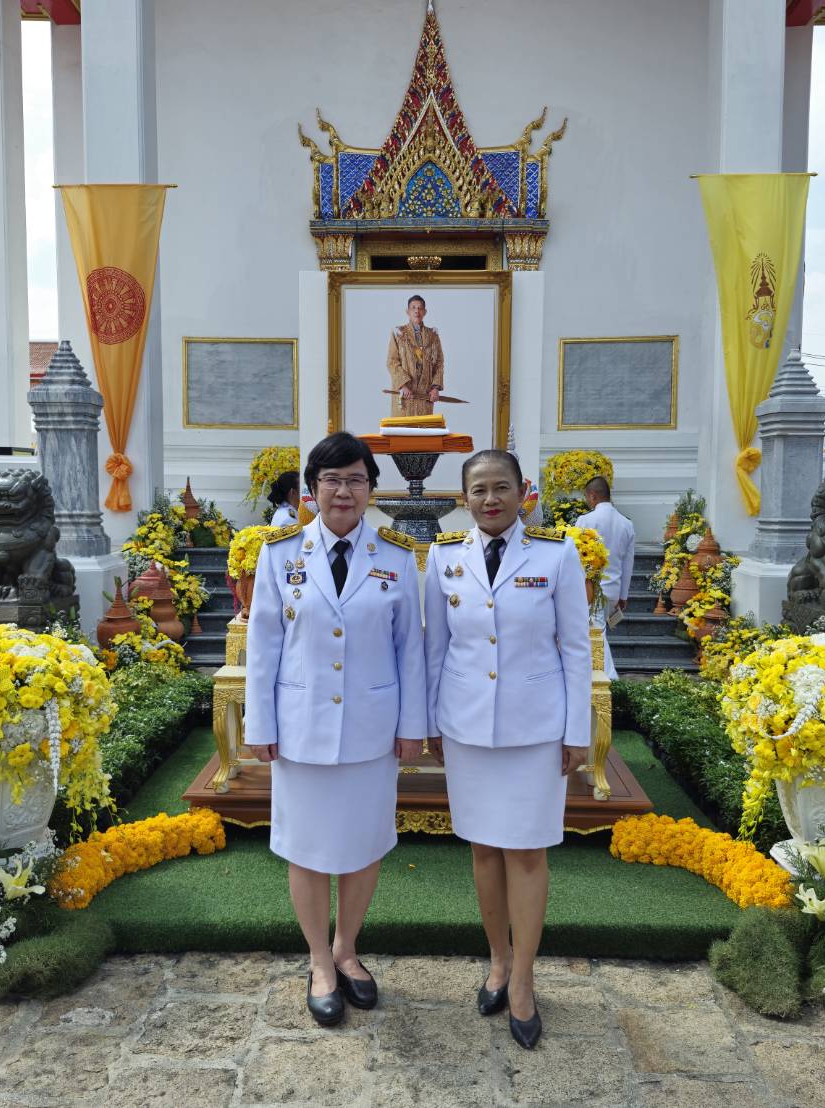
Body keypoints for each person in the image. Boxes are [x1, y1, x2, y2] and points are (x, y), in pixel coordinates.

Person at [244, 431, 427, 1027]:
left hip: (372, 728)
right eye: (331, 479)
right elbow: (264, 647)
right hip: (300, 727)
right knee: (306, 846)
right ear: (312, 489)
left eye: (354, 479)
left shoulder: (398, 559)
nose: (343, 491)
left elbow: (411, 652)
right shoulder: (279, 555)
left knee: (364, 842)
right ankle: (320, 961)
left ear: (371, 488)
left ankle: (348, 949)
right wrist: (259, 724)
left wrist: (412, 726)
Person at [423, 449, 592, 1049]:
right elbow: (435, 651)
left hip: (535, 730)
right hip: (467, 729)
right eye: (478, 490)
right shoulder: (443, 559)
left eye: (501, 488)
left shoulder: (556, 554)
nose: (490, 500)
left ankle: (522, 981)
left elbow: (576, 648)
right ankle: (496, 959)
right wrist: (430, 724)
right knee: (484, 851)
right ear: (463, 498)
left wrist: (579, 733)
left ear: (524, 491)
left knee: (526, 854)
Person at [575, 475, 635, 680]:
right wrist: (624, 595)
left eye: (587, 497)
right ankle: (593, 673)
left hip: (590, 588)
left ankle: (609, 677)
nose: (587, 501)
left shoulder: (585, 520)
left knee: (596, 632)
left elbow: (575, 557)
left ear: (593, 496)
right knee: (595, 632)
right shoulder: (626, 524)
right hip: (614, 589)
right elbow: (629, 563)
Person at [386, 294, 444, 416]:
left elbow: (439, 363)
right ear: (407, 311)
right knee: (402, 432)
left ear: (425, 312)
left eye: (420, 308)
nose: (417, 311)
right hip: (405, 395)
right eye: (413, 308)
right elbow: (392, 362)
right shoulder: (399, 334)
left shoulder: (433, 335)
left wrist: (435, 388)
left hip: (425, 395)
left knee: (423, 432)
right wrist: (403, 385)